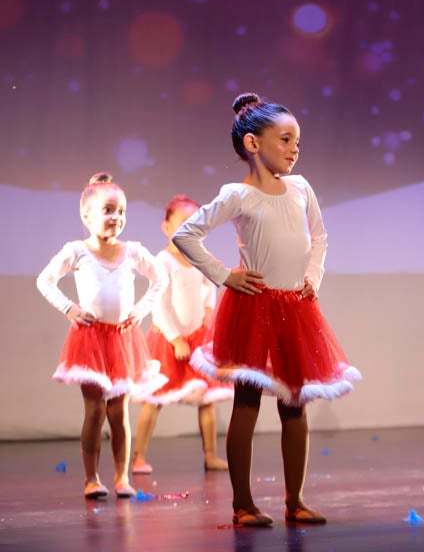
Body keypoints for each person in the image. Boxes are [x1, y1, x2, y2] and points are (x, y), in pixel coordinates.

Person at [174, 93, 362, 527]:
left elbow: (320, 238)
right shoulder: (238, 195)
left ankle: (294, 500)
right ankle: (243, 504)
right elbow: (187, 235)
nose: (294, 148)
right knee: (247, 402)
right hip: (254, 308)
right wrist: (223, 275)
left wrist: (312, 279)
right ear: (254, 144)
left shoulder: (300, 188)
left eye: (297, 140)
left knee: (295, 402)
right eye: (285, 139)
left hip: (296, 307)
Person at [36, 172, 169, 499]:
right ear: (87, 215)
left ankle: (122, 478)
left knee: (118, 411)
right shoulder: (77, 251)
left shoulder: (133, 251)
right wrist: (70, 308)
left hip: (123, 340)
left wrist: (141, 309)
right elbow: (45, 280)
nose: (117, 217)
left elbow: (160, 279)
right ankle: (92, 478)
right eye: (109, 210)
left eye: (122, 211)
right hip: (90, 340)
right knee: (95, 410)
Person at [131, 195, 233, 475]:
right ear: (166, 228)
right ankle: (139, 456)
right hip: (168, 339)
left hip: (197, 337)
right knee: (154, 399)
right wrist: (175, 338)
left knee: (207, 399)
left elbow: (209, 284)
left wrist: (210, 309)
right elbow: (159, 303)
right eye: (183, 223)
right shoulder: (162, 261)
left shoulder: (199, 256)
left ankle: (210, 454)